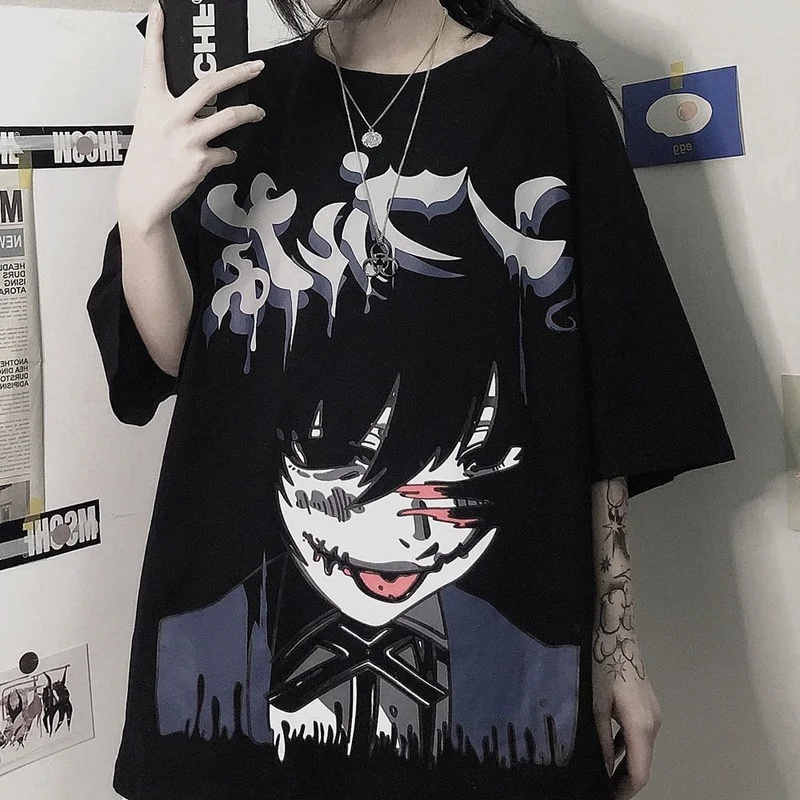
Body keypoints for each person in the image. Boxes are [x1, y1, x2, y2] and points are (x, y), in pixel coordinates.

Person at [87, 0, 735, 797]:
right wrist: (142, 220)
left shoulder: (545, 91)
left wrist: (618, 648)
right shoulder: (238, 96)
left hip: (497, 693)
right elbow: (178, 359)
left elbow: (610, 390)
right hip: (237, 709)